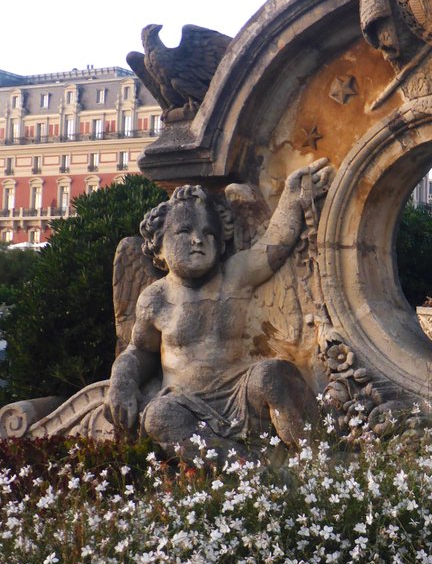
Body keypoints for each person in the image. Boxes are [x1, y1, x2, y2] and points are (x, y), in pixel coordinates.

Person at [106, 159, 332, 457]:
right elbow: (140, 351)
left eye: (209, 233)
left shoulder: (234, 277)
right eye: (184, 232)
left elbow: (276, 245)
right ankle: (246, 468)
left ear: (221, 240)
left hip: (240, 393)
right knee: (159, 416)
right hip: (184, 403)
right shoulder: (155, 298)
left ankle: (318, 460)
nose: (199, 240)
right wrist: (121, 381)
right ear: (159, 244)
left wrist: (291, 197)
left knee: (272, 374)